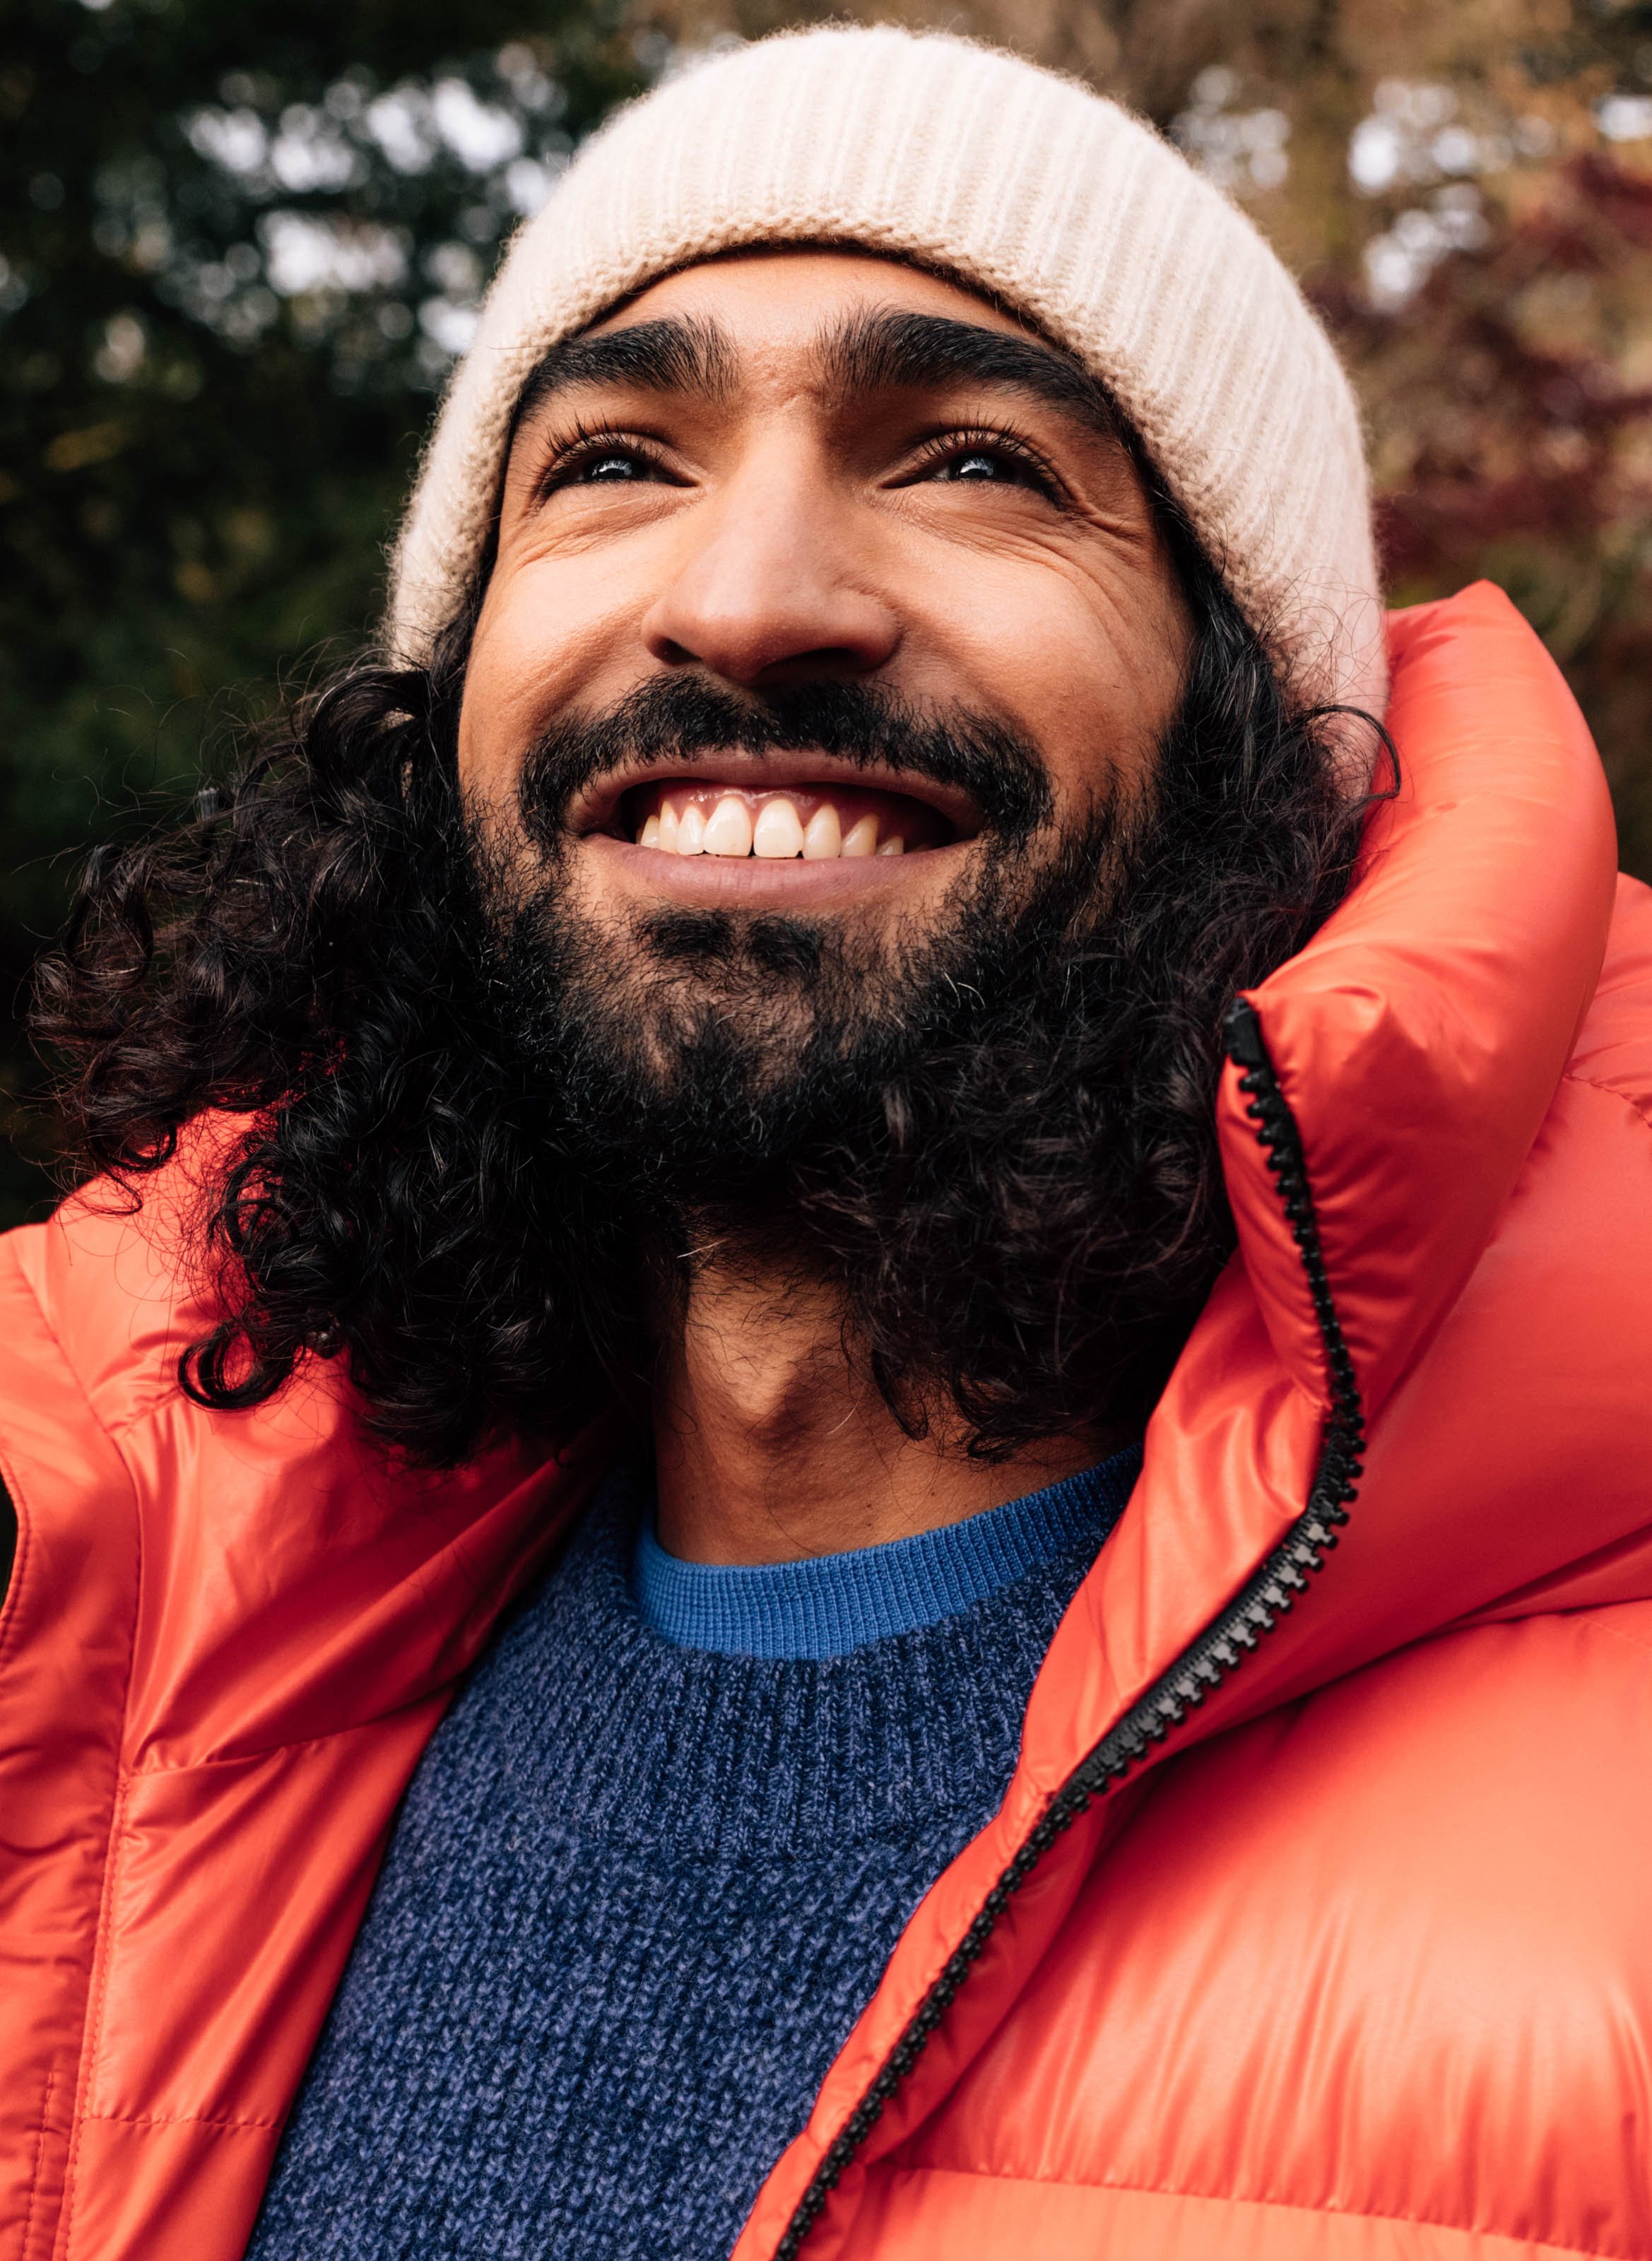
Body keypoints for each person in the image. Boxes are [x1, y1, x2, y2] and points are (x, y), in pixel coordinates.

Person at [3, 25, 1650, 2261]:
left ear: (1251, 733)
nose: (749, 594)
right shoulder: (94, 1676)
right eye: (611, 461)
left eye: (971, 459)